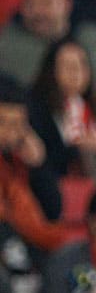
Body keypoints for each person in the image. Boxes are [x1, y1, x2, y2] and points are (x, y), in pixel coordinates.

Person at [27, 38, 96, 186]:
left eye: (82, 65)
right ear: (51, 70)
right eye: (68, 66)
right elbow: (44, 158)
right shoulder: (37, 110)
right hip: (59, 186)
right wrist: (79, 150)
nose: (76, 72)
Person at [0, 75, 68, 255]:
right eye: (2, 123)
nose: (9, 133)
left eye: (17, 124)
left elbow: (52, 212)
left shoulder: (17, 159)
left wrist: (39, 165)